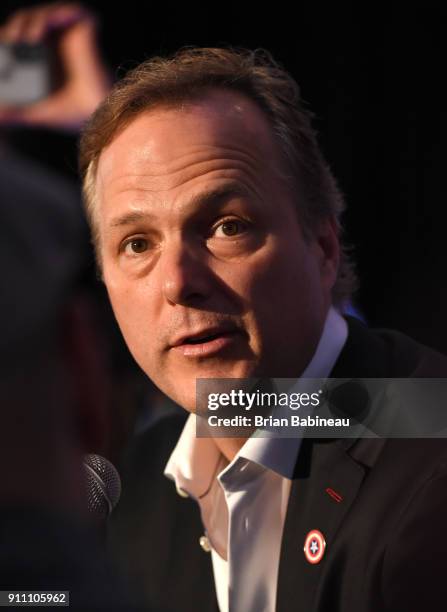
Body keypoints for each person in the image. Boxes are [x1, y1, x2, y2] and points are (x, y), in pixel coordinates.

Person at [79, 47, 447, 612]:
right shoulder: (131, 486)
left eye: (227, 226)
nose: (178, 281)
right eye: (137, 244)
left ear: (323, 248)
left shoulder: (430, 464)